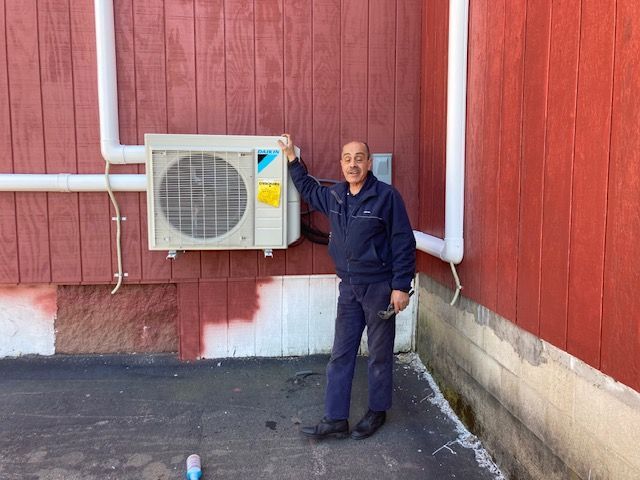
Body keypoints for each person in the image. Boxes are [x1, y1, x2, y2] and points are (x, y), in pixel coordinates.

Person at [278, 134, 416, 440]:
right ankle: (336, 419)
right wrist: (291, 159)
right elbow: (309, 190)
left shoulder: (386, 197)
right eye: (347, 158)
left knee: (379, 355)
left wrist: (401, 286)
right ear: (341, 164)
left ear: (369, 163)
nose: (353, 164)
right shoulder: (336, 196)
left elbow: (403, 242)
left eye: (359, 158)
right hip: (349, 289)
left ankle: (377, 411)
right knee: (341, 354)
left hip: (380, 288)